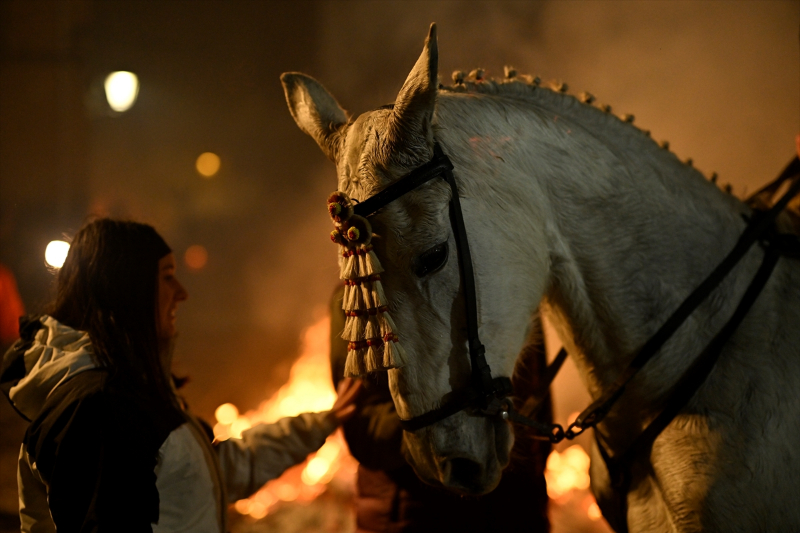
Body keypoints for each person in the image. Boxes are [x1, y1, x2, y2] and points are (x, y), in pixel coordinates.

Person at [0, 218, 361, 533]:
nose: (182, 293)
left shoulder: (127, 394)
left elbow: (211, 474)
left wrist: (321, 424)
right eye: (167, 277)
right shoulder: (98, 411)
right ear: (127, 290)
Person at [329, 286, 551, 533]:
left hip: (515, 511)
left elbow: (537, 408)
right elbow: (368, 435)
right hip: (417, 515)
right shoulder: (364, 298)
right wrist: (458, 412)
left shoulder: (512, 287)